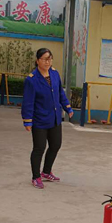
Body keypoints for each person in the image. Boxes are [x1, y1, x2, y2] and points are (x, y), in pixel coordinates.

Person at [21, 48, 73, 189]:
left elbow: (60, 93)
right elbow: (28, 102)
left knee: (56, 145)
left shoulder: (54, 74)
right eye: (44, 59)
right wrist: (27, 120)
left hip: (54, 118)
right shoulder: (32, 79)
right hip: (39, 120)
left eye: (49, 59)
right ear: (37, 61)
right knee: (39, 148)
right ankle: (36, 177)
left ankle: (46, 172)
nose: (47, 62)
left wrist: (67, 107)